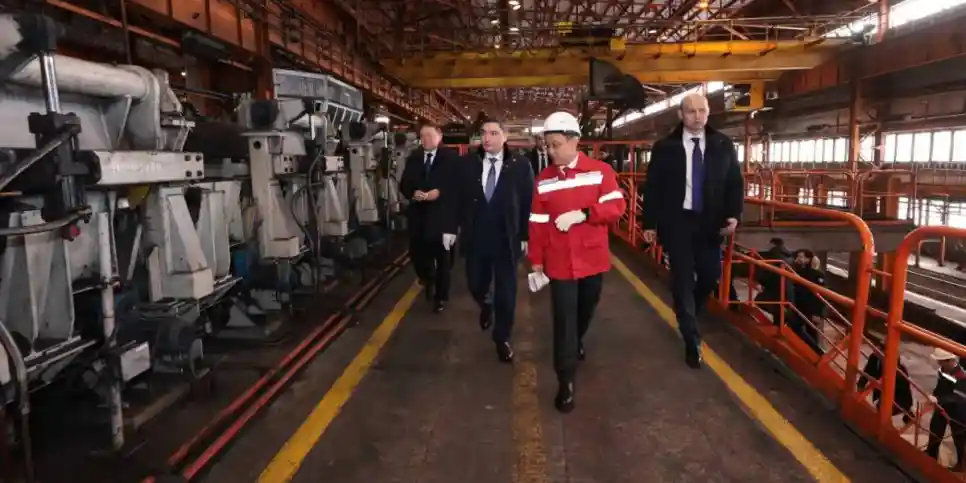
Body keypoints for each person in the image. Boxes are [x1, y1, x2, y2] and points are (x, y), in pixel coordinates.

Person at [528, 111, 626, 413]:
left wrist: (584, 214)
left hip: (591, 258)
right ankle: (565, 380)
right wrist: (536, 260)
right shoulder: (544, 180)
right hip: (559, 262)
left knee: (586, 309)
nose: (551, 151)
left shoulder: (599, 172)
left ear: (574, 141)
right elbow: (537, 222)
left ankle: (577, 339)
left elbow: (617, 205)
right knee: (563, 321)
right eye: (548, 146)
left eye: (556, 145)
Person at [640, 92, 744, 369]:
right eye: (691, 111)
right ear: (680, 115)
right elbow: (652, 187)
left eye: (702, 111)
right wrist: (649, 223)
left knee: (710, 275)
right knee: (683, 279)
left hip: (711, 222)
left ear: (708, 113)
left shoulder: (723, 144)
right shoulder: (665, 147)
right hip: (678, 222)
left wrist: (734, 215)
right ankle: (691, 340)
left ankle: (689, 313)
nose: (697, 117)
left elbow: (735, 182)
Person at [458, 119, 534, 362]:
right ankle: (485, 302)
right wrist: (452, 228)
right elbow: (458, 197)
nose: (487, 138)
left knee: (507, 291)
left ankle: (502, 337)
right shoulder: (468, 163)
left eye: (493, 133)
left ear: (505, 137)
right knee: (475, 282)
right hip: (477, 236)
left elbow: (528, 201)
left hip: (506, 238)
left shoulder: (520, 165)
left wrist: (525, 235)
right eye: (483, 133)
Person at [399, 123, 460, 313]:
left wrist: (439, 193)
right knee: (417, 254)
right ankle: (428, 277)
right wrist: (413, 192)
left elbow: (458, 186)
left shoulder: (451, 158)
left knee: (443, 260)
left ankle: (440, 297)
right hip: (419, 216)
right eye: (423, 136)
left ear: (439, 136)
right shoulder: (414, 158)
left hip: (441, 217)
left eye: (429, 135)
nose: (425, 139)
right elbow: (404, 183)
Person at [925, 347, 966, 469]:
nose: (938, 363)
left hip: (958, 411)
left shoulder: (961, 376)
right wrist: (934, 395)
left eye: (941, 361)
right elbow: (940, 386)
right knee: (935, 430)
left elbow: (958, 397)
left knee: (959, 438)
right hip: (942, 406)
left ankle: (961, 464)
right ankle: (931, 454)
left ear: (949, 361)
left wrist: (938, 399)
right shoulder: (943, 370)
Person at [792, 249, 826, 354]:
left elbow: (821, 295)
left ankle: (816, 352)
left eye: (801, 257)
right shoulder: (798, 271)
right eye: (797, 257)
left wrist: (818, 313)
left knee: (810, 330)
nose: (798, 259)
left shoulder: (816, 275)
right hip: (799, 305)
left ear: (808, 259)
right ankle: (813, 351)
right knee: (798, 327)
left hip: (810, 307)